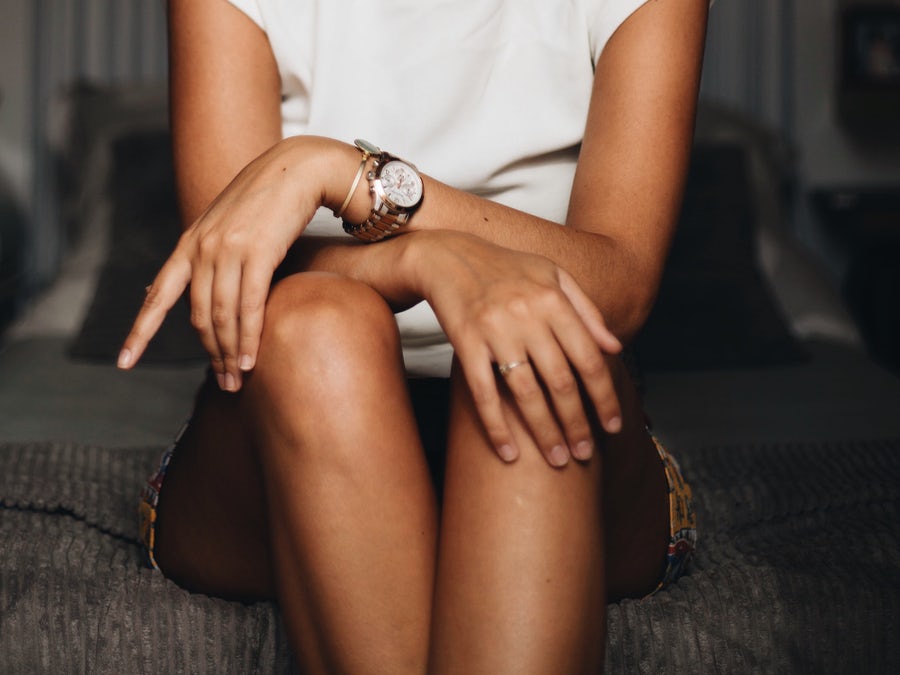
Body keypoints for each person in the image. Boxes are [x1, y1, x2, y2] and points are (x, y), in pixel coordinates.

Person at [120, 0, 708, 672]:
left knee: (530, 347)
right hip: (292, 418)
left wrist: (344, 175)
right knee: (318, 324)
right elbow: (229, 273)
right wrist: (425, 259)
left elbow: (622, 284)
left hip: (546, 416)